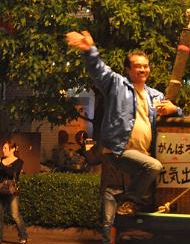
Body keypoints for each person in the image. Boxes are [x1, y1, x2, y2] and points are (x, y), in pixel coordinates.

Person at [66, 31, 182, 216]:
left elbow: (177, 116)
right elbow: (99, 71)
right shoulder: (117, 85)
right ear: (128, 70)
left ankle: (127, 225)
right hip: (119, 150)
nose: (142, 70)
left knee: (145, 204)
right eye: (137, 66)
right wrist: (89, 50)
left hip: (143, 153)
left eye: (145, 66)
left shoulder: (156, 95)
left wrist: (175, 110)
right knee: (154, 167)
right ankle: (127, 201)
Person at [0, 140, 28, 244]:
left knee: (15, 214)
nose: (3, 150)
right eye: (2, 148)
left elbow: (11, 173)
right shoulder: (2, 160)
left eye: (5, 148)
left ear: (12, 149)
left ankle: (23, 236)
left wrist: (1, 165)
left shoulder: (19, 162)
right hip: (1, 190)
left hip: (12, 191)